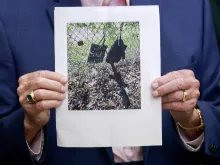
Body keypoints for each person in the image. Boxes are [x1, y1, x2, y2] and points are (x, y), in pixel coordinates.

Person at [0, 0, 220, 165]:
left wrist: (192, 121)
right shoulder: (11, 12)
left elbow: (215, 110)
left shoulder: (191, 6)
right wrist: (29, 124)